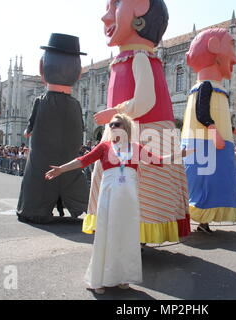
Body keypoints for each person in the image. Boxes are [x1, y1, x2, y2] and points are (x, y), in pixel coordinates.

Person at [45, 114, 189, 294]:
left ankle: (123, 276)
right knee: (106, 234)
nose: (112, 127)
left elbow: (158, 160)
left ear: (126, 127)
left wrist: (179, 154)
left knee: (127, 236)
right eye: (111, 125)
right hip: (109, 196)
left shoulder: (136, 148)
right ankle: (98, 279)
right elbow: (83, 160)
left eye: (116, 124)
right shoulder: (104, 147)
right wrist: (61, 169)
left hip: (129, 199)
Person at [88, 0, 191, 244]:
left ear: (140, 11)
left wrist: (112, 112)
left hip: (143, 131)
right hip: (126, 130)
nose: (106, 17)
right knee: (125, 183)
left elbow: (145, 101)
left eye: (115, 6)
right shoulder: (128, 58)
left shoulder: (140, 57)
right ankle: (124, 232)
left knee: (141, 186)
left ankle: (134, 235)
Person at [181, 28, 236, 234]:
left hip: (214, 143)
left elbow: (215, 114)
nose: (235, 59)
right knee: (203, 181)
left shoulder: (216, 89)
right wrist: (213, 130)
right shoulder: (205, 87)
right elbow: (202, 112)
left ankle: (204, 220)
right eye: (231, 45)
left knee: (212, 181)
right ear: (213, 46)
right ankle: (196, 217)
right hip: (204, 144)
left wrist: (232, 129)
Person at [16, 33, 89, 224]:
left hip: (44, 146)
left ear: (42, 69)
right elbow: (81, 128)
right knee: (70, 169)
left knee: (38, 169)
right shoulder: (76, 105)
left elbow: (30, 128)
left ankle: (35, 208)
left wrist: (27, 132)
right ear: (78, 72)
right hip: (70, 141)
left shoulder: (42, 101)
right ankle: (82, 203)